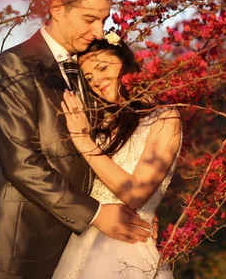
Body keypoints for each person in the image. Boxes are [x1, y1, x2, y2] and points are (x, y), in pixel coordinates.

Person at [0, 0, 152, 279]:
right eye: (89, 19)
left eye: (103, 20)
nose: (98, 31)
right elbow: (21, 163)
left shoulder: (86, 67)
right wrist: (97, 214)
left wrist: (139, 217)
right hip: (18, 245)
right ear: (57, 8)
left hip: (74, 246)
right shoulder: (14, 66)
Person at [52, 35, 182, 279]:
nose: (96, 81)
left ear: (126, 62)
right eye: (88, 78)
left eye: (102, 68)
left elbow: (136, 194)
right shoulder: (101, 121)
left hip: (127, 249)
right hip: (82, 240)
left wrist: (83, 141)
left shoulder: (164, 117)